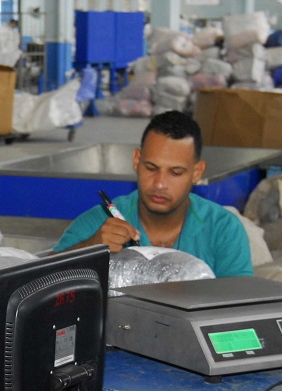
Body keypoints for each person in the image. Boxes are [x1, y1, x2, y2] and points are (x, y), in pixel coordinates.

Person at [53, 110, 253, 278]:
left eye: (175, 172)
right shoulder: (101, 222)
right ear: (136, 161)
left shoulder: (224, 229)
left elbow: (240, 308)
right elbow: (36, 278)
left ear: (197, 172)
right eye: (151, 168)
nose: (159, 184)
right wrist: (90, 248)